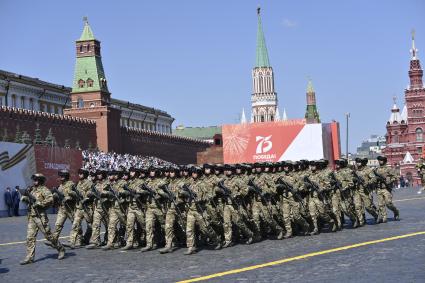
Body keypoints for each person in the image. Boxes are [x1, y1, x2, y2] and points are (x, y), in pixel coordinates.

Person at [20, 173, 65, 265]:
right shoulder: (31, 190)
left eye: (36, 179)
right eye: (34, 179)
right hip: (31, 217)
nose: (34, 181)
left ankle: (60, 248)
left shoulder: (44, 190)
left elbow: (50, 200)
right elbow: (27, 198)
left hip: (40, 217)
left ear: (40, 180)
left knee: (49, 236)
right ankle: (29, 257)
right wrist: (25, 198)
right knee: (30, 238)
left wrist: (40, 203)